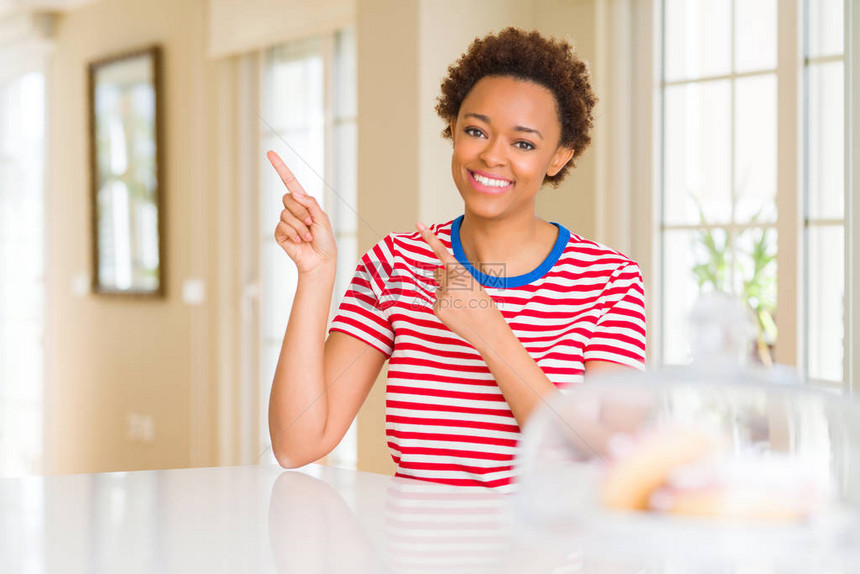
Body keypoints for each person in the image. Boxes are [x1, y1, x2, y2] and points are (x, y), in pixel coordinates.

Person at [267, 27, 646, 490]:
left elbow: (607, 464)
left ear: (558, 157)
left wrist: (490, 334)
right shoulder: (396, 263)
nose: (491, 156)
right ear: (452, 130)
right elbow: (296, 442)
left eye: (523, 143)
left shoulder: (611, 280)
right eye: (475, 131)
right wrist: (316, 274)